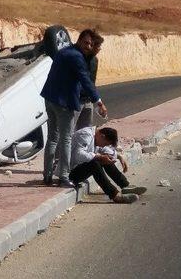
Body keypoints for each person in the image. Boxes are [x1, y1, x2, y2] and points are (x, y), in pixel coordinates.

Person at [41, 29, 108, 187]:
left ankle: (47, 174)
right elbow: (85, 81)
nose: (88, 46)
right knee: (66, 139)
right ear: (79, 40)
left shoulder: (64, 51)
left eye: (91, 44)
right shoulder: (76, 57)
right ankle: (64, 176)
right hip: (63, 103)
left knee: (52, 138)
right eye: (86, 42)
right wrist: (99, 101)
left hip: (50, 99)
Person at [70, 126, 147, 204]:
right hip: (70, 172)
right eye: (105, 143)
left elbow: (104, 150)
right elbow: (78, 154)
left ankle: (125, 185)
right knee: (95, 163)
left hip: (80, 167)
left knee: (106, 159)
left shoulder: (96, 138)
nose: (103, 146)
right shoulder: (85, 135)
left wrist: (119, 156)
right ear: (102, 136)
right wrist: (99, 156)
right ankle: (114, 195)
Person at [76, 36, 102, 130]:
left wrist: (95, 99)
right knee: (69, 131)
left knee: (85, 131)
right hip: (76, 100)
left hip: (88, 100)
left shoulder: (95, 60)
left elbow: (91, 82)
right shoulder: (78, 58)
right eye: (97, 46)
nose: (99, 49)